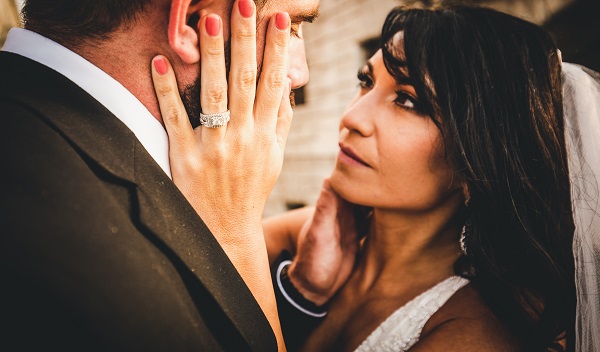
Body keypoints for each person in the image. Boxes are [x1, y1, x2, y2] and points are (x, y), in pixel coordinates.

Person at [152, 5, 585, 351]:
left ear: (478, 157)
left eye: (408, 100)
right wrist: (299, 292)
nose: (351, 117)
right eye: (366, 81)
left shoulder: (478, 333)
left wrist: (233, 230)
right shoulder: (311, 234)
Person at [0, 0, 319, 350]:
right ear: (191, 21)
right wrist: (236, 234)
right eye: (290, 28)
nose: (300, 73)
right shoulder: (117, 292)